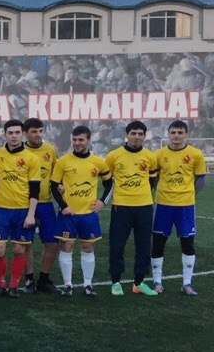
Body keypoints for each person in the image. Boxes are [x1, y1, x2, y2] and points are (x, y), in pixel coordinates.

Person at [49, 125, 110, 296]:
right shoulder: (63, 161)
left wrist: (102, 201)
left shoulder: (98, 161)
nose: (77, 143)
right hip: (68, 214)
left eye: (81, 140)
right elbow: (53, 186)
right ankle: (67, 285)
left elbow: (109, 182)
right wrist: (64, 206)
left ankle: (88, 285)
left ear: (88, 140)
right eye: (74, 140)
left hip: (88, 214)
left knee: (87, 246)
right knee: (66, 246)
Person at [150, 120, 207, 296]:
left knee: (187, 244)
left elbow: (201, 179)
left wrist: (188, 194)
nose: (176, 136)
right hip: (163, 205)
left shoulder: (195, 154)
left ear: (186, 134)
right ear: (168, 134)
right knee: (158, 243)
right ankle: (157, 282)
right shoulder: (159, 154)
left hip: (185, 206)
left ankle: (187, 283)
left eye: (180, 132)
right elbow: (153, 178)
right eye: (173, 132)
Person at [105, 120, 159, 296]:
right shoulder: (114, 156)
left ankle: (139, 282)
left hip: (144, 207)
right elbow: (107, 180)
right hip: (121, 207)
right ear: (126, 135)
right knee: (117, 245)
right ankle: (115, 282)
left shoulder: (150, 156)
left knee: (143, 246)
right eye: (133, 133)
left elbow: (152, 180)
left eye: (140, 134)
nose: (136, 137)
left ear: (144, 136)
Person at [0, 120, 41, 297]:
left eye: (17, 132)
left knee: (19, 249)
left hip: (22, 211)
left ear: (23, 134)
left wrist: (31, 214)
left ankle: (13, 286)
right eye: (10, 133)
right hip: (1, 210)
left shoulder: (31, 158)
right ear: (5, 135)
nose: (14, 136)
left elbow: (35, 190)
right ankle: (0, 285)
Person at [22, 118, 60, 294]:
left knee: (52, 243)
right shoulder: (19, 151)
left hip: (45, 203)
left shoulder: (49, 150)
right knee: (25, 243)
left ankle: (44, 279)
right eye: (34, 131)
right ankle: (29, 279)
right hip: (24, 204)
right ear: (25, 133)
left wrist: (60, 186)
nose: (38, 134)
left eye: (40, 131)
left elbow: (56, 174)